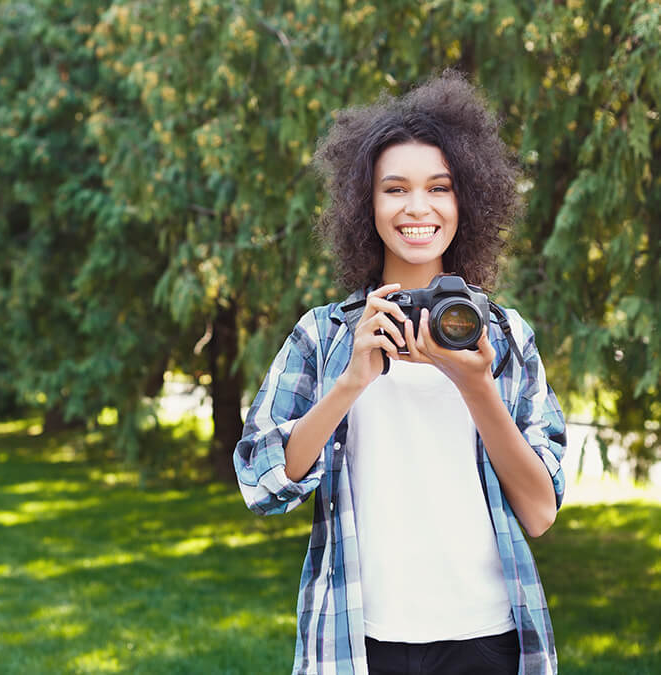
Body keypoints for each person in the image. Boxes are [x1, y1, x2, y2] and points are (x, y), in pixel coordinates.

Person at [234, 70, 567, 675]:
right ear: (366, 204)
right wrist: (349, 384)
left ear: (467, 199)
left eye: (439, 187)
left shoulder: (507, 339)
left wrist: (476, 386)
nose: (418, 208)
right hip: (360, 640)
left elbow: (541, 514)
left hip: (487, 637)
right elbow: (261, 484)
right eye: (395, 189)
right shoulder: (324, 335)